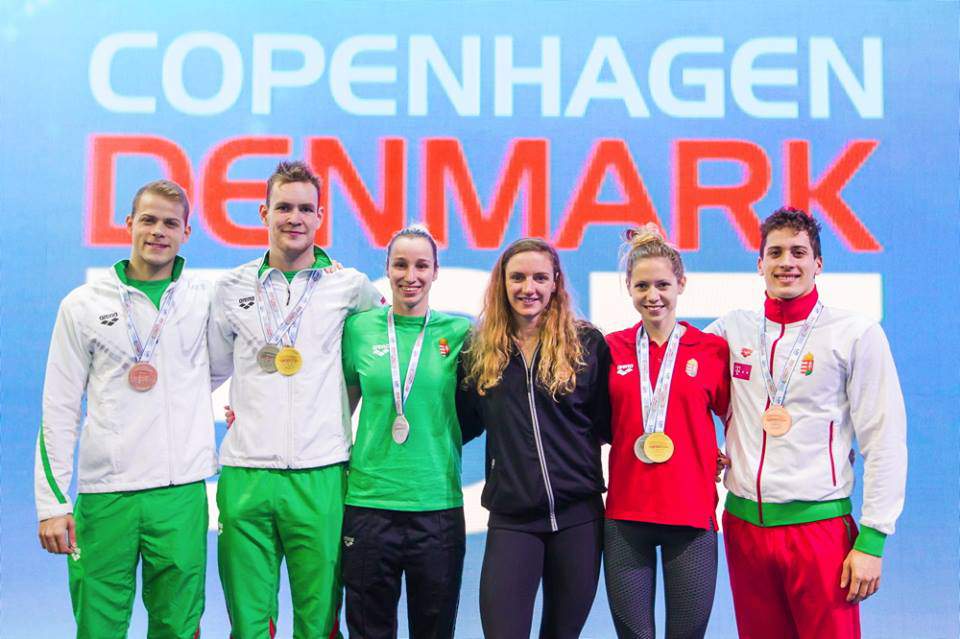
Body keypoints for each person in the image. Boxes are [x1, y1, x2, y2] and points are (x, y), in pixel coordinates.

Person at [708, 207, 907, 639]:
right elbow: (681, 389)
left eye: (798, 252)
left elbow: (885, 441)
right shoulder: (730, 330)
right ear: (759, 264)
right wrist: (703, 450)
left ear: (818, 263)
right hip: (744, 529)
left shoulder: (855, 334)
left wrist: (873, 539)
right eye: (775, 252)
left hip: (819, 533)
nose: (787, 263)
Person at [208, 160, 383, 639]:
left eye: (306, 209)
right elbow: (208, 372)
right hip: (246, 472)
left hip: (321, 472)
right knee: (248, 625)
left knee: (318, 622)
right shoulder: (230, 288)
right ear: (264, 212)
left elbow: (382, 363)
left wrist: (340, 408)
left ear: (320, 217)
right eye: (284, 207)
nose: (294, 218)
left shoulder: (351, 287)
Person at [36, 179, 217, 638]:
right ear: (129, 223)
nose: (158, 231)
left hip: (179, 494)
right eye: (149, 220)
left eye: (170, 223)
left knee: (179, 628)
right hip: (107, 494)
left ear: (186, 232)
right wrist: (52, 504)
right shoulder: (82, 305)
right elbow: (59, 406)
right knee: (99, 628)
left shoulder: (204, 299)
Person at [456, 238, 611, 639]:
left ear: (556, 282)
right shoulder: (479, 351)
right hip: (513, 520)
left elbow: (611, 424)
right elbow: (459, 425)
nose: (529, 288)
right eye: (518, 278)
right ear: (502, 283)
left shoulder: (587, 344)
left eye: (540, 277)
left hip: (579, 519)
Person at [340, 225, 471, 639]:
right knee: (368, 631)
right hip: (369, 503)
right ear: (387, 269)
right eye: (400, 265)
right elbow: (337, 409)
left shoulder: (460, 334)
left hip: (437, 505)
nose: (410, 276)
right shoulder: (359, 330)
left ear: (436, 272)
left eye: (421, 266)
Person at [603, 227, 730, 638]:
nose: (652, 295)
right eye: (642, 286)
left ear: (681, 284)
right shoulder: (610, 349)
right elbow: (590, 423)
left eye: (662, 285)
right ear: (628, 287)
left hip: (691, 515)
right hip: (626, 517)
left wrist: (724, 454)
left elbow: (741, 419)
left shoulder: (710, 350)